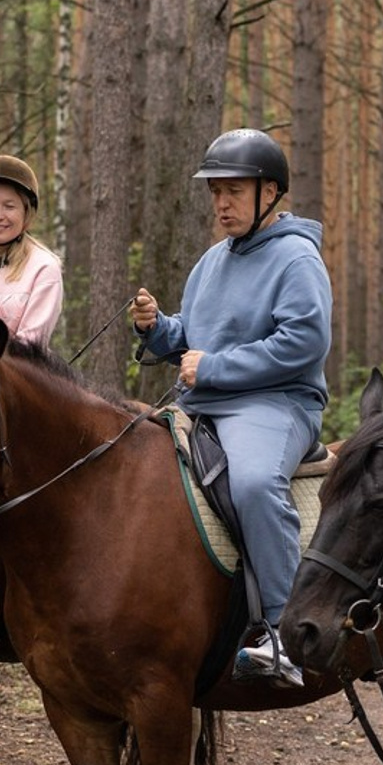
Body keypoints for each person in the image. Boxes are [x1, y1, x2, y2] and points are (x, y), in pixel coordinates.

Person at [131, 128, 332, 687]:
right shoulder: (212, 261)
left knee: (251, 485)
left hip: (274, 404)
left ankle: (284, 633)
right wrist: (156, 328)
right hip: (207, 404)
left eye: (234, 191)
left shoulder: (297, 258)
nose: (222, 203)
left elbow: (303, 344)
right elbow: (192, 336)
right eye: (216, 191)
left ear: (271, 192)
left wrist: (212, 367)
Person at [0, 155, 63, 350]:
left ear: (26, 212)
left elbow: (31, 344)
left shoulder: (43, 268)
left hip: (13, 375)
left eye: (9, 206)